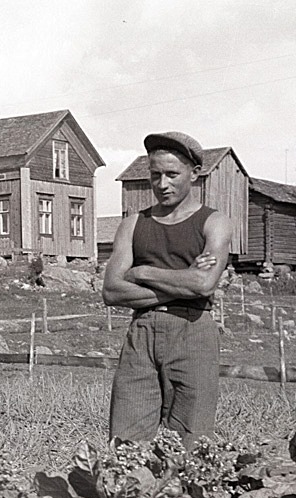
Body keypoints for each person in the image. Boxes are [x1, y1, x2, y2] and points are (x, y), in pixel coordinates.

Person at [102, 131, 232, 445]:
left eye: (172, 174)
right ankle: (128, 495)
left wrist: (143, 271)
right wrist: (183, 280)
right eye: (155, 175)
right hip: (142, 334)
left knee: (192, 438)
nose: (162, 184)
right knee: (126, 441)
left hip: (193, 331)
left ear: (195, 173)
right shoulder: (133, 224)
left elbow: (203, 283)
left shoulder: (214, 222)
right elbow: (111, 292)